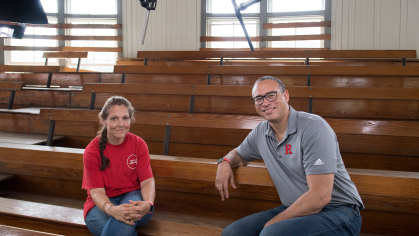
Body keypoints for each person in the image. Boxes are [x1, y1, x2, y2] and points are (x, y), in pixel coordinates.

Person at [215, 76, 364, 236]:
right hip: (295, 208)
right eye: (258, 99)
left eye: (271, 95)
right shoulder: (261, 132)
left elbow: (320, 196)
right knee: (232, 233)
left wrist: (272, 224)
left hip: (338, 211)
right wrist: (224, 162)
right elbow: (238, 154)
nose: (265, 103)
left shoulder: (313, 127)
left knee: (272, 233)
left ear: (285, 96)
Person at [83, 96, 155, 236]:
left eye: (125, 118)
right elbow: (97, 192)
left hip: (132, 196)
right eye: (114, 118)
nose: (121, 124)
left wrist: (148, 203)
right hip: (101, 204)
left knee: (126, 216)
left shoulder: (139, 144)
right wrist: (112, 210)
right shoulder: (92, 150)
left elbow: (147, 181)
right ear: (104, 120)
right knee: (121, 230)